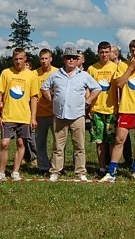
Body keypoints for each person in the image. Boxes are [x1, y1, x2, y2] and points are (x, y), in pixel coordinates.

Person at [40, 45, 101, 181]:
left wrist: (88, 101)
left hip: (77, 115)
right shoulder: (55, 75)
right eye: (69, 58)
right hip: (60, 115)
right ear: (64, 59)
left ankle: (80, 172)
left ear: (77, 60)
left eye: (74, 58)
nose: (71, 60)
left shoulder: (84, 75)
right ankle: (55, 171)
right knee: (58, 146)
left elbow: (97, 88)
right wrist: (52, 100)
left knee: (79, 146)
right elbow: (44, 88)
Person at [100, 39, 135, 183]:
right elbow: (119, 84)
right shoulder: (123, 65)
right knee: (119, 139)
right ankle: (111, 171)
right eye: (132, 50)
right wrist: (131, 68)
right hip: (126, 107)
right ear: (129, 51)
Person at [0, 48, 39, 181]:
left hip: (24, 116)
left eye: (20, 59)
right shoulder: (6, 73)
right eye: (15, 59)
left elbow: (34, 97)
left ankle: (15, 171)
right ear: (13, 59)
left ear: (25, 59)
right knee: (4, 143)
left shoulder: (31, 75)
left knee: (21, 143)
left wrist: (33, 117)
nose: (18, 61)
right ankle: (1, 172)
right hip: (8, 115)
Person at [87, 41, 122, 178]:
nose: (104, 55)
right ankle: (101, 168)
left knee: (112, 141)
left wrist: (119, 106)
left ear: (110, 53)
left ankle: (113, 167)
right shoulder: (92, 68)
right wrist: (89, 106)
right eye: (101, 52)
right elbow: (88, 89)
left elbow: (119, 88)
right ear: (98, 53)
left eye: (106, 52)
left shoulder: (116, 67)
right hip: (97, 110)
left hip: (112, 109)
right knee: (99, 141)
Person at [33, 48, 57, 175]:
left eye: (46, 58)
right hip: (39, 113)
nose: (44, 61)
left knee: (58, 142)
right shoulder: (34, 74)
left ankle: (56, 165)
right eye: (41, 58)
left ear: (51, 59)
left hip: (54, 113)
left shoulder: (57, 72)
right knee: (40, 142)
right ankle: (43, 165)